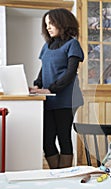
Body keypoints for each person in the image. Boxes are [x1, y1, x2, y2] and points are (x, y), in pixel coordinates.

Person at [29, 8, 84, 169]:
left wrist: (51, 88)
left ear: (63, 23)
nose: (48, 27)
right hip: (48, 99)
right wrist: (38, 85)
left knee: (63, 137)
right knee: (47, 141)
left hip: (66, 98)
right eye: (46, 24)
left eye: (51, 23)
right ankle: (56, 172)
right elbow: (43, 68)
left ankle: (65, 175)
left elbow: (70, 73)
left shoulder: (72, 44)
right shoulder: (47, 46)